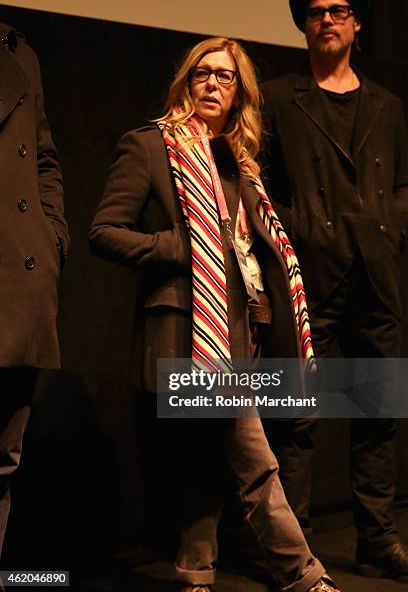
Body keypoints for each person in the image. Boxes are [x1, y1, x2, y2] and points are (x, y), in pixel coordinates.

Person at [89, 36, 340, 592]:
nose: (212, 84)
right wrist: (179, 248)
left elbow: (252, 251)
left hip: (244, 328)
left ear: (239, 93)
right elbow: (104, 231)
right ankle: (302, 575)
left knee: (209, 457)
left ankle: (194, 572)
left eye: (225, 77)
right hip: (190, 329)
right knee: (254, 460)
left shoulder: (241, 163)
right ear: (186, 82)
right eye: (203, 73)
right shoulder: (151, 147)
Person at [261, 0, 408, 583]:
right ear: (305, 27)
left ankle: (377, 539)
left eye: (337, 12)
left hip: (375, 273)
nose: (326, 20)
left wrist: (391, 231)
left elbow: (401, 184)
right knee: (296, 414)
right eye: (316, 13)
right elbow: (259, 179)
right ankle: (293, 546)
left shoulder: (388, 106)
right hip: (308, 274)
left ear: (356, 25)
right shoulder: (277, 98)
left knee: (377, 413)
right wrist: (295, 232)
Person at [0, 23, 68, 564]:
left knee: (3, 458)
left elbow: (44, 159)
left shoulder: (17, 50)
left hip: (19, 278)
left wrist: (51, 239)